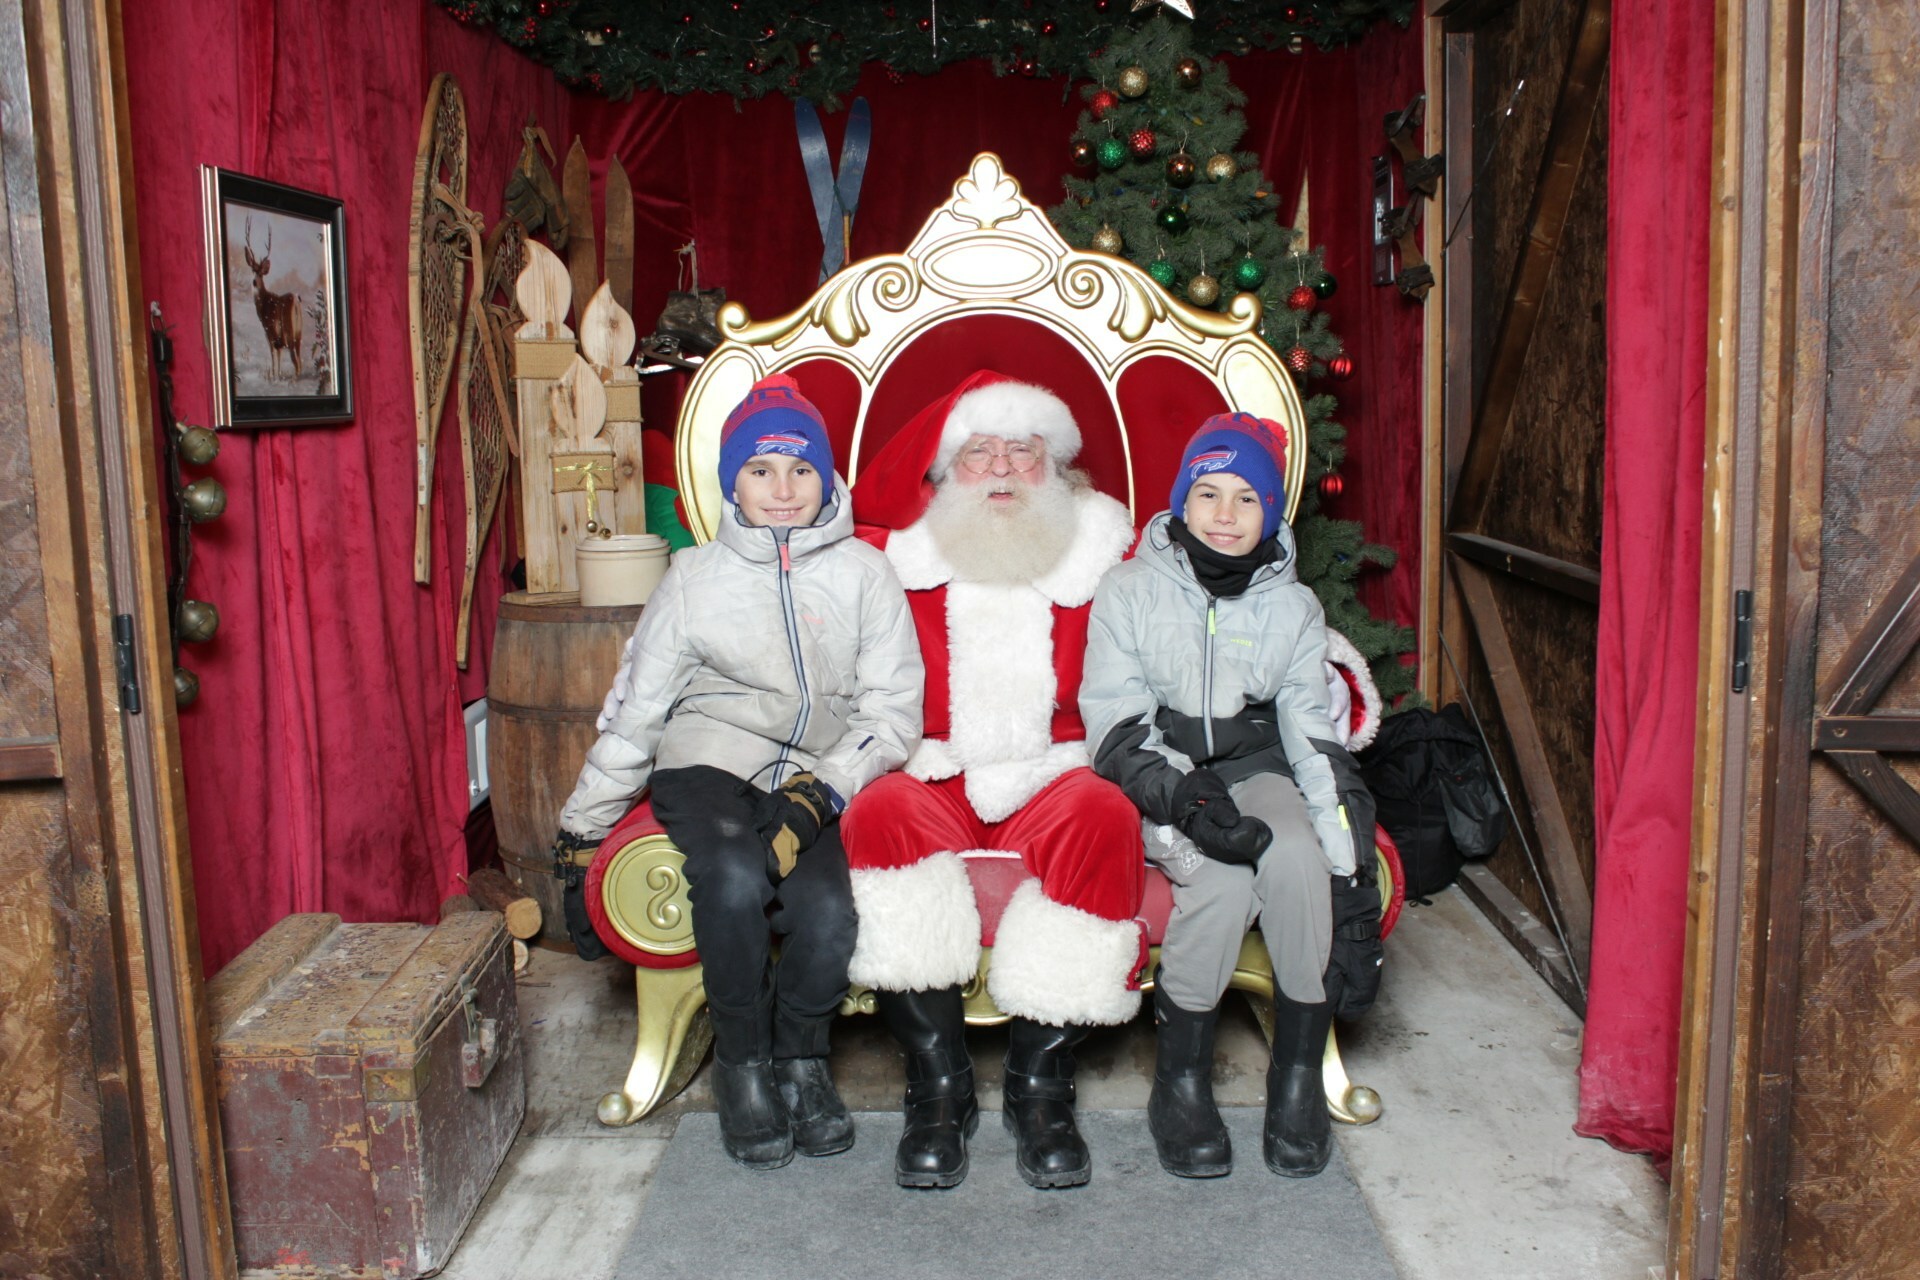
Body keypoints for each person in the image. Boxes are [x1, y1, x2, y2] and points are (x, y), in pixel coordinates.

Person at [548, 375, 923, 1171]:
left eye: (800, 470)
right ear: (733, 485)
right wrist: (582, 830)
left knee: (828, 912)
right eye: (760, 471)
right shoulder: (694, 579)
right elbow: (637, 710)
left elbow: (892, 712)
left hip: (811, 775)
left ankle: (801, 1061)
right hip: (707, 763)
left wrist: (821, 792)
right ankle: (742, 1065)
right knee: (731, 879)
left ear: (827, 477)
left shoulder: (866, 573)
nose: (782, 490)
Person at [839, 370, 1146, 1191]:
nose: (1003, 470)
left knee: (1107, 816)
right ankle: (938, 1085)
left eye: (1022, 450)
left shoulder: (1107, 548)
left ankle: (1039, 1086)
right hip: (933, 769)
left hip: (1057, 770)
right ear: (945, 468)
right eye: (979, 452)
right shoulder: (894, 554)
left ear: (1056, 465)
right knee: (877, 813)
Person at [1080, 412, 1382, 1180]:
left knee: (1297, 855)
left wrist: (1351, 868)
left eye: (1247, 498)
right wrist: (1186, 799)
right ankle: (1180, 1083)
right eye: (1208, 493)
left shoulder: (1294, 606)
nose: (1224, 514)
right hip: (1166, 775)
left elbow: (1312, 737)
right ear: (1182, 500)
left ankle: (1297, 1076)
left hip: (1257, 768)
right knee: (1219, 878)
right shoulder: (1128, 590)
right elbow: (1114, 725)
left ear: (1271, 511)